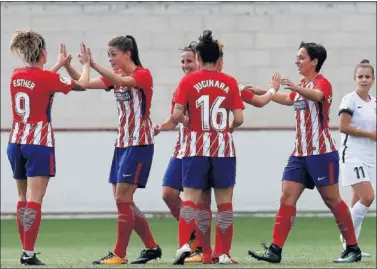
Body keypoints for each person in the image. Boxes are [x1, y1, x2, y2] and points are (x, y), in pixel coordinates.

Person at [247, 41, 362, 264]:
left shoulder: (322, 83)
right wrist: (264, 91)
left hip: (321, 152)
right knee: (286, 196)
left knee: (332, 199)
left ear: (314, 61)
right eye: (297, 57)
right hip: (299, 153)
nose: (297, 61)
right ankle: (275, 250)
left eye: (301, 57)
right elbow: (289, 99)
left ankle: (352, 248)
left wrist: (297, 88)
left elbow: (317, 96)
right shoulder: (301, 85)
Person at [59, 36, 162, 265]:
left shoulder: (142, 74)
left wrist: (94, 64)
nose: (111, 59)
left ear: (128, 53)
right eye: (109, 56)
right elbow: (83, 84)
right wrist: (70, 67)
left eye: (114, 55)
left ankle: (119, 254)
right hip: (122, 144)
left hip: (138, 143)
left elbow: (114, 78)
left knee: (122, 198)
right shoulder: (115, 78)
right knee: (123, 200)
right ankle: (151, 247)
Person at [7, 30, 91, 266]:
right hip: (38, 143)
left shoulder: (16, 75)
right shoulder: (46, 78)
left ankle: (25, 250)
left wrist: (57, 64)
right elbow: (82, 85)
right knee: (35, 198)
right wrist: (85, 65)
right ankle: (29, 253)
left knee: (22, 197)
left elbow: (38, 82)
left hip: (15, 142)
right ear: (42, 52)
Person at [170, 30, 244, 265]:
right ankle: (222, 253)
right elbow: (240, 118)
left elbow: (176, 114)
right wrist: (228, 128)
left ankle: (184, 244)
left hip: (195, 148)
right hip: (223, 149)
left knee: (191, 199)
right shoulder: (230, 81)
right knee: (224, 203)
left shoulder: (188, 80)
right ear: (218, 58)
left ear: (199, 58)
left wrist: (189, 122)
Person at [153, 41, 212, 264]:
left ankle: (203, 250)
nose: (185, 65)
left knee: (202, 202)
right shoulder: (182, 85)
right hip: (182, 149)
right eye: (182, 61)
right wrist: (160, 126)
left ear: (200, 61)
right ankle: (195, 239)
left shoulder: (207, 85)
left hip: (203, 149)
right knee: (168, 193)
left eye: (189, 60)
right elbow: (174, 118)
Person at [338, 59, 376, 258]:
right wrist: (370, 135)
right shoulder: (349, 100)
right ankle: (348, 242)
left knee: (357, 201)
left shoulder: (375, 103)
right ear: (354, 79)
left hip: (370, 158)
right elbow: (343, 127)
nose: (363, 80)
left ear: (373, 80)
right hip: (352, 156)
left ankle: (350, 244)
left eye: (367, 77)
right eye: (360, 77)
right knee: (368, 197)